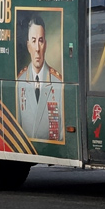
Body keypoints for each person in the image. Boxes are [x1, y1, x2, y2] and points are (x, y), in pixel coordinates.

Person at [16, 14, 63, 142]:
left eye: (41, 41)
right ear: (28, 46)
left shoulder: (58, 82)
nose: (37, 49)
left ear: (45, 45)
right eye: (33, 41)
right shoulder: (19, 82)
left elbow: (62, 133)